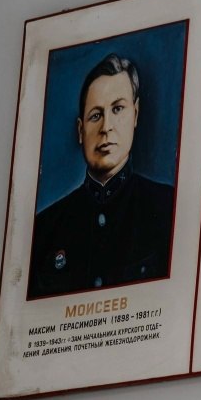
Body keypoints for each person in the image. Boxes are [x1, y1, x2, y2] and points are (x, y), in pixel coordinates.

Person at [28, 53, 175, 297]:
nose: (106, 127)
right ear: (80, 130)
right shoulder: (44, 230)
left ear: (136, 114)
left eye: (117, 109)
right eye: (95, 115)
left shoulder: (168, 208)